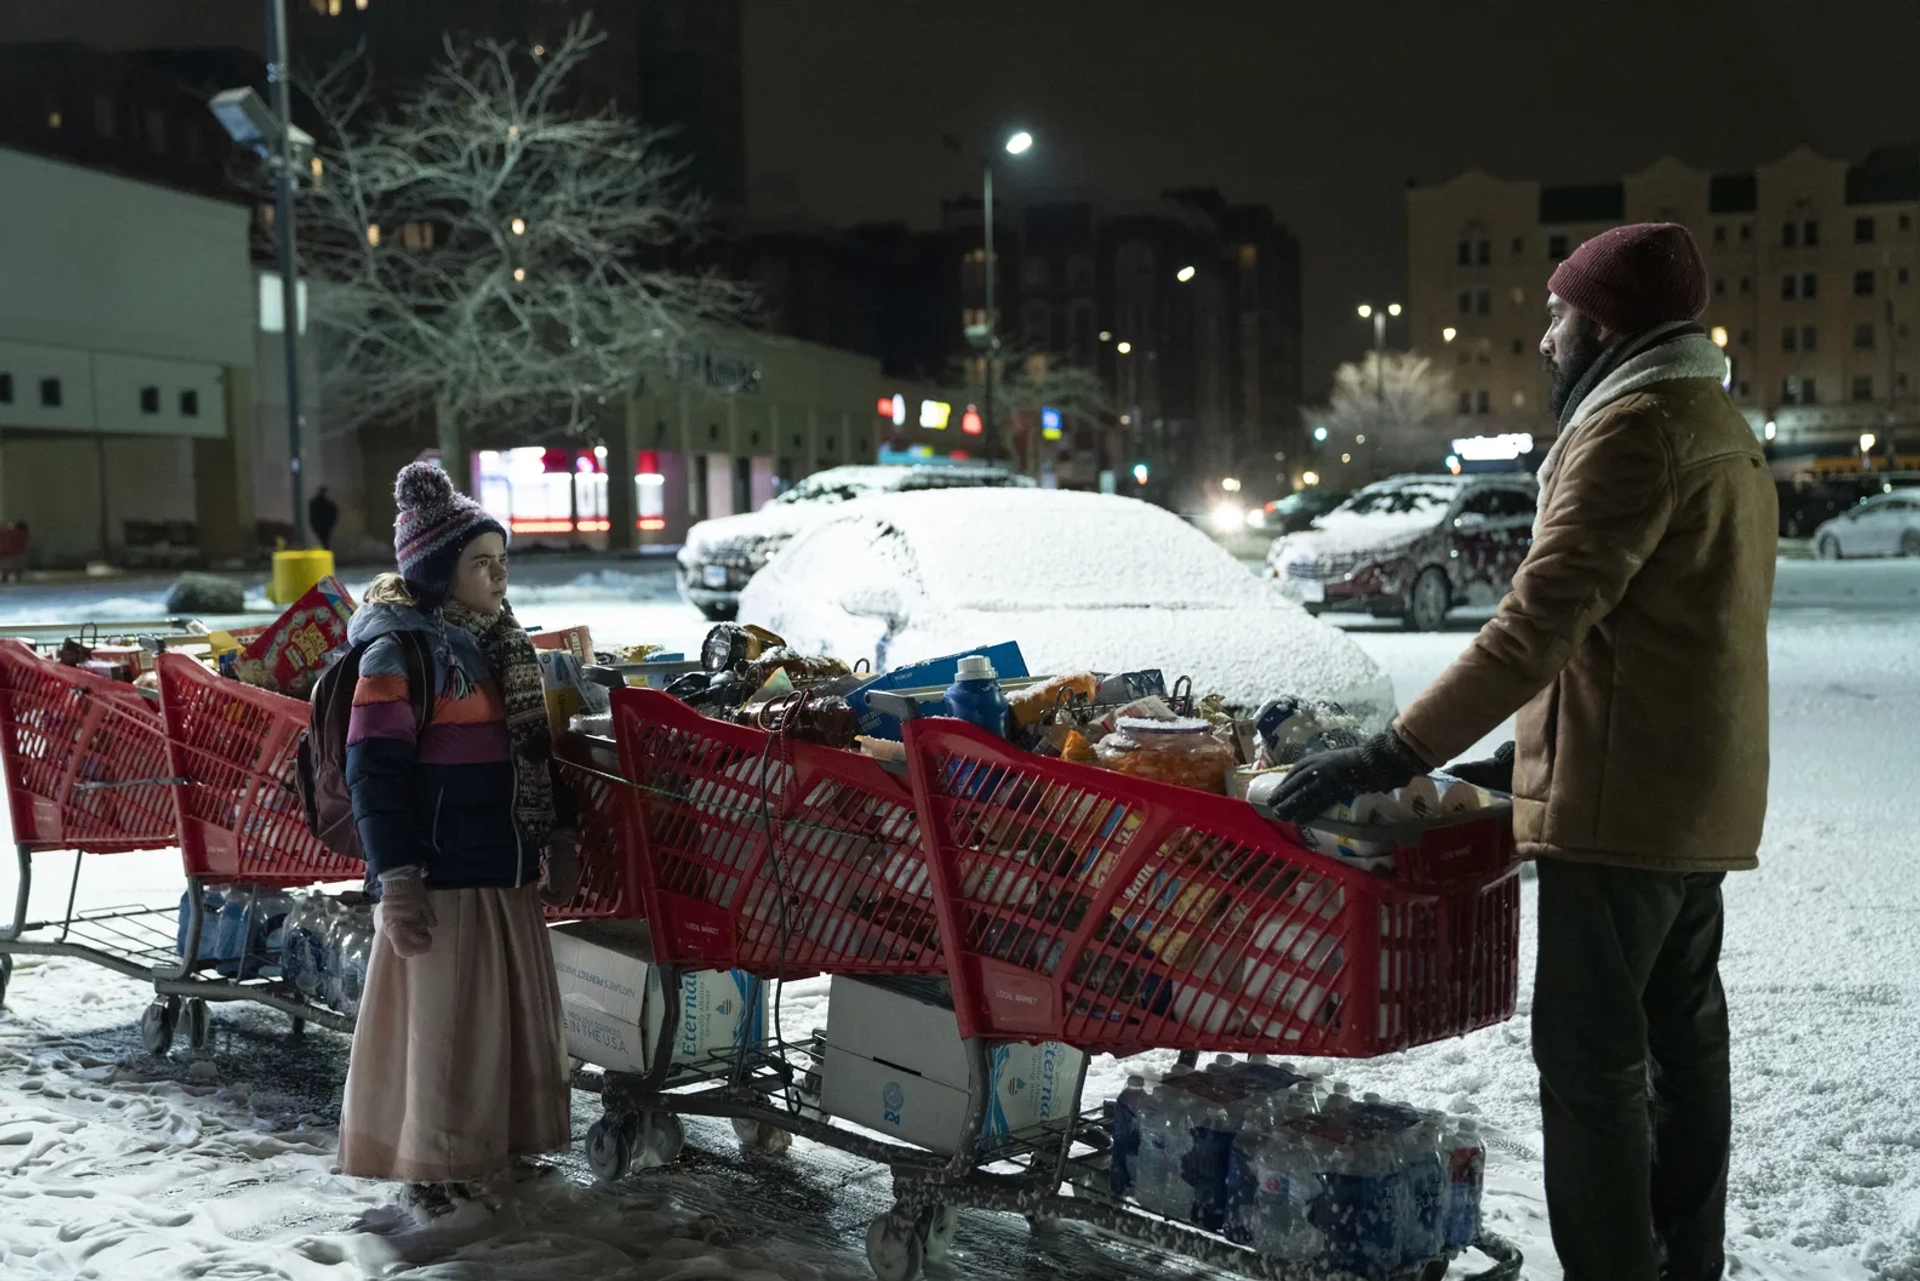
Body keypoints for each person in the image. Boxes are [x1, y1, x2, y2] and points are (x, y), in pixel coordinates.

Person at [1269, 223, 1776, 1281]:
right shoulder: (1714, 421)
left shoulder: (1632, 428)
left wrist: (1391, 753)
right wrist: (1518, 759)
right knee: (1684, 1052)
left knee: (1591, 1069)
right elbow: (1652, 637)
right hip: (1692, 795)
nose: (1545, 338)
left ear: (1601, 324)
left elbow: (1536, 625)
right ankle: (1688, 1263)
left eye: (1557, 315)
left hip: (1621, 816)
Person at [337, 461, 580, 1217]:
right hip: (441, 880)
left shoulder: (501, 645)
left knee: (501, 1029)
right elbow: (373, 773)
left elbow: (530, 752)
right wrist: (398, 879)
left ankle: (495, 1148)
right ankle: (433, 1165)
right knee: (443, 1037)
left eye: (503, 561)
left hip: (503, 868)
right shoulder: (399, 651)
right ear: (440, 570)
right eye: (481, 563)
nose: (498, 576)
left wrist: (559, 833)